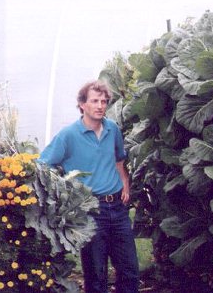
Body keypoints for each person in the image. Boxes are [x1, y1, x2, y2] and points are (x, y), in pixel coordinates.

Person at [39, 80, 139, 293]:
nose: (100, 105)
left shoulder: (112, 129)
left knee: (130, 271)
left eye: (104, 101)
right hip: (90, 213)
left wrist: (125, 185)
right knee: (96, 276)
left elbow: (119, 160)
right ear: (82, 105)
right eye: (94, 101)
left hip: (119, 211)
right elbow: (42, 165)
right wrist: (61, 195)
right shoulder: (68, 135)